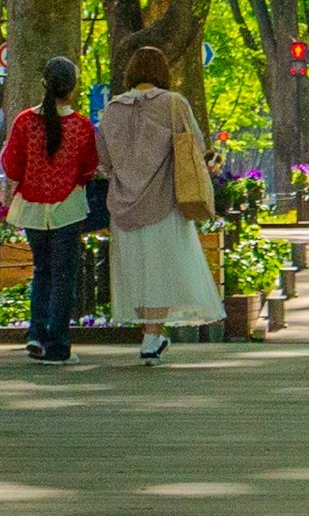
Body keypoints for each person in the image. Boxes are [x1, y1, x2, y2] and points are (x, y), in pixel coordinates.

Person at [92, 43, 225, 363]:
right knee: (161, 270)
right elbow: (194, 147)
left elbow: (103, 158)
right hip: (165, 202)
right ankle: (152, 336)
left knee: (137, 270)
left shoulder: (112, 109)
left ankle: (150, 335)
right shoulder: (174, 104)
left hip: (124, 204)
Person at [0, 57, 100, 363]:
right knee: (63, 276)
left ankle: (36, 334)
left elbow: (11, 165)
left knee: (41, 272)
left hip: (31, 209)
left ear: (44, 83)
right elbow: (89, 168)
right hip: (67, 210)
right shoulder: (82, 126)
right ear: (72, 88)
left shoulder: (24, 121)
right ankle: (57, 342)